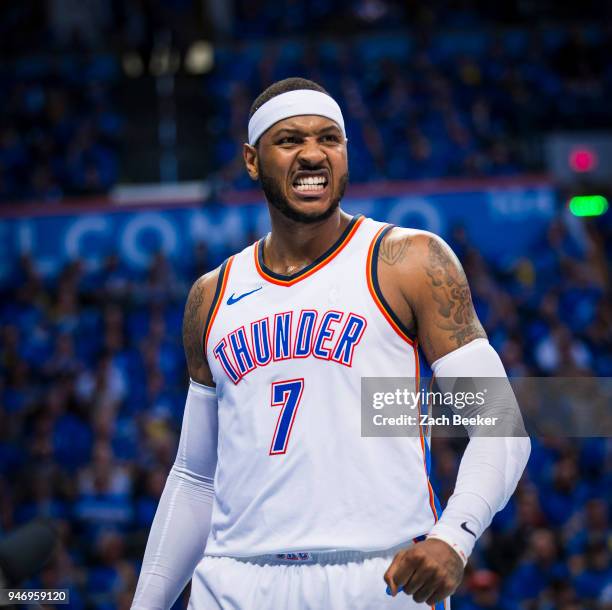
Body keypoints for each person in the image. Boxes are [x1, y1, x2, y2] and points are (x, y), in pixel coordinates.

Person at [131, 78, 531, 610]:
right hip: (235, 578)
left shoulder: (408, 261)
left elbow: (499, 422)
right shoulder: (211, 295)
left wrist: (454, 536)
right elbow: (195, 476)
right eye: (290, 140)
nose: (314, 154)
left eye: (329, 139)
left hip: (379, 573)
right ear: (252, 160)